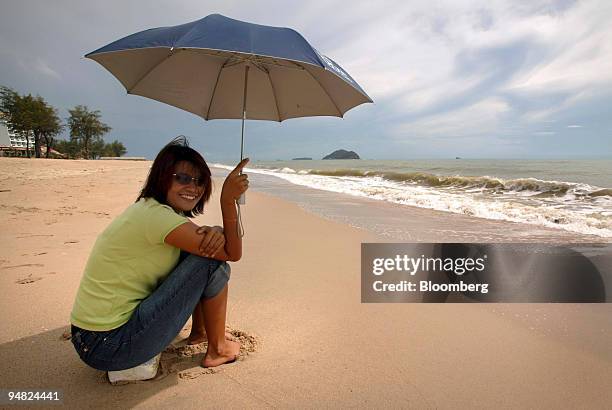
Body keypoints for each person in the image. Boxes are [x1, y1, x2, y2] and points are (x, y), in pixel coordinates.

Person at [69, 137, 249, 371]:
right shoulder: (157, 218)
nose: (193, 188)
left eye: (200, 181)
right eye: (183, 178)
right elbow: (231, 253)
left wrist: (217, 231)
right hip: (109, 346)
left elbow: (209, 244)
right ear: (162, 177)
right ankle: (217, 350)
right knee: (211, 263)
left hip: (92, 338)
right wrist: (228, 200)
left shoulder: (151, 210)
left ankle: (200, 333)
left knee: (200, 256)